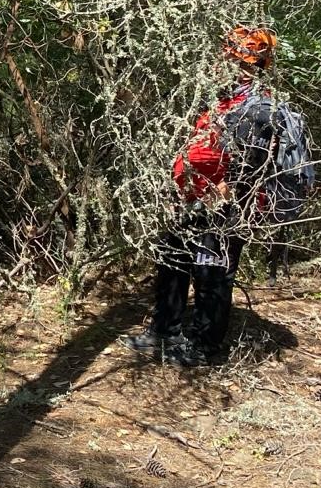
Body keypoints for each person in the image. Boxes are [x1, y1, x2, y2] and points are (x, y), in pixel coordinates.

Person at [127, 26, 303, 367]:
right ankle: (164, 330)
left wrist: (227, 195)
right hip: (190, 197)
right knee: (171, 258)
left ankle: (204, 346)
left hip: (226, 206)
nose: (221, 65)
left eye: (232, 60)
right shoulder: (217, 98)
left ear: (251, 64)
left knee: (212, 272)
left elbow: (254, 161)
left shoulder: (260, 106)